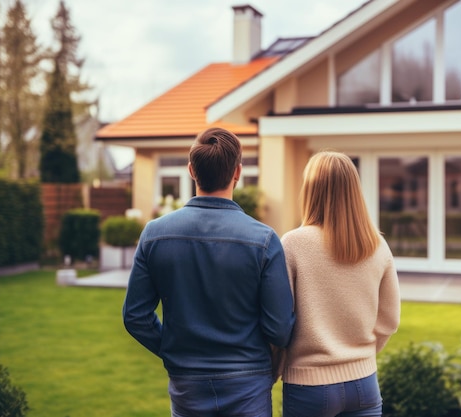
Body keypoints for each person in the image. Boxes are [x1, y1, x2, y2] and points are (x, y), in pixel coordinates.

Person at [123, 127, 295, 417]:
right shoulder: (264, 240)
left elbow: (135, 316)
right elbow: (280, 328)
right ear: (237, 172)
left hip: (187, 384)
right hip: (248, 381)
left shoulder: (154, 234)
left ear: (191, 170)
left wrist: (172, 350)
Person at [279, 151, 401, 417]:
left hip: (308, 386)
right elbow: (390, 321)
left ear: (311, 190)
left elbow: (279, 320)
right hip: (364, 383)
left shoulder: (292, 243)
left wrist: (276, 367)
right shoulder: (377, 245)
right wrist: (361, 356)